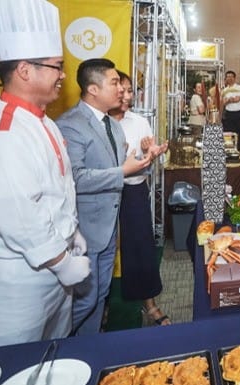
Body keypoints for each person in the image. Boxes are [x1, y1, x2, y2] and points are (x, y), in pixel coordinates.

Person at [0, 0, 90, 350]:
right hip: (15, 282)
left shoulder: (42, 121)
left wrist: (71, 230)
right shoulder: (4, 134)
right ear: (24, 70)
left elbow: (51, 193)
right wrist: (61, 261)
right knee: (8, 368)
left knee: (53, 360)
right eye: (56, 67)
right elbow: (16, 213)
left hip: (53, 272)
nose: (63, 75)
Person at [57, 58, 152, 335]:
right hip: (85, 229)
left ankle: (90, 351)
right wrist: (123, 171)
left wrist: (144, 158)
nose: (121, 91)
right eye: (114, 84)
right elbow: (75, 178)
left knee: (99, 295)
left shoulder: (110, 124)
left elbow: (116, 164)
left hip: (109, 227)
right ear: (93, 89)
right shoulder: (71, 125)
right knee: (82, 303)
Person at [108, 71, 171, 326]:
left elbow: (152, 161)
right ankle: (99, 309)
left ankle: (150, 304)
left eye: (130, 90)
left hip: (133, 191)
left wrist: (150, 154)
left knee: (141, 249)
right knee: (103, 251)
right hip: (103, 194)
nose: (126, 95)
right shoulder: (99, 123)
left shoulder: (139, 122)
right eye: (120, 89)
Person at [221, 70, 240, 162]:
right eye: (228, 76)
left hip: (239, 113)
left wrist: (229, 100)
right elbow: (223, 102)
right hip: (229, 114)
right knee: (228, 135)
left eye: (231, 76)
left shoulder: (239, 87)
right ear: (226, 78)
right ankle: (229, 154)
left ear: (234, 78)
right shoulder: (225, 90)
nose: (229, 78)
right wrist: (229, 100)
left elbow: (237, 99)